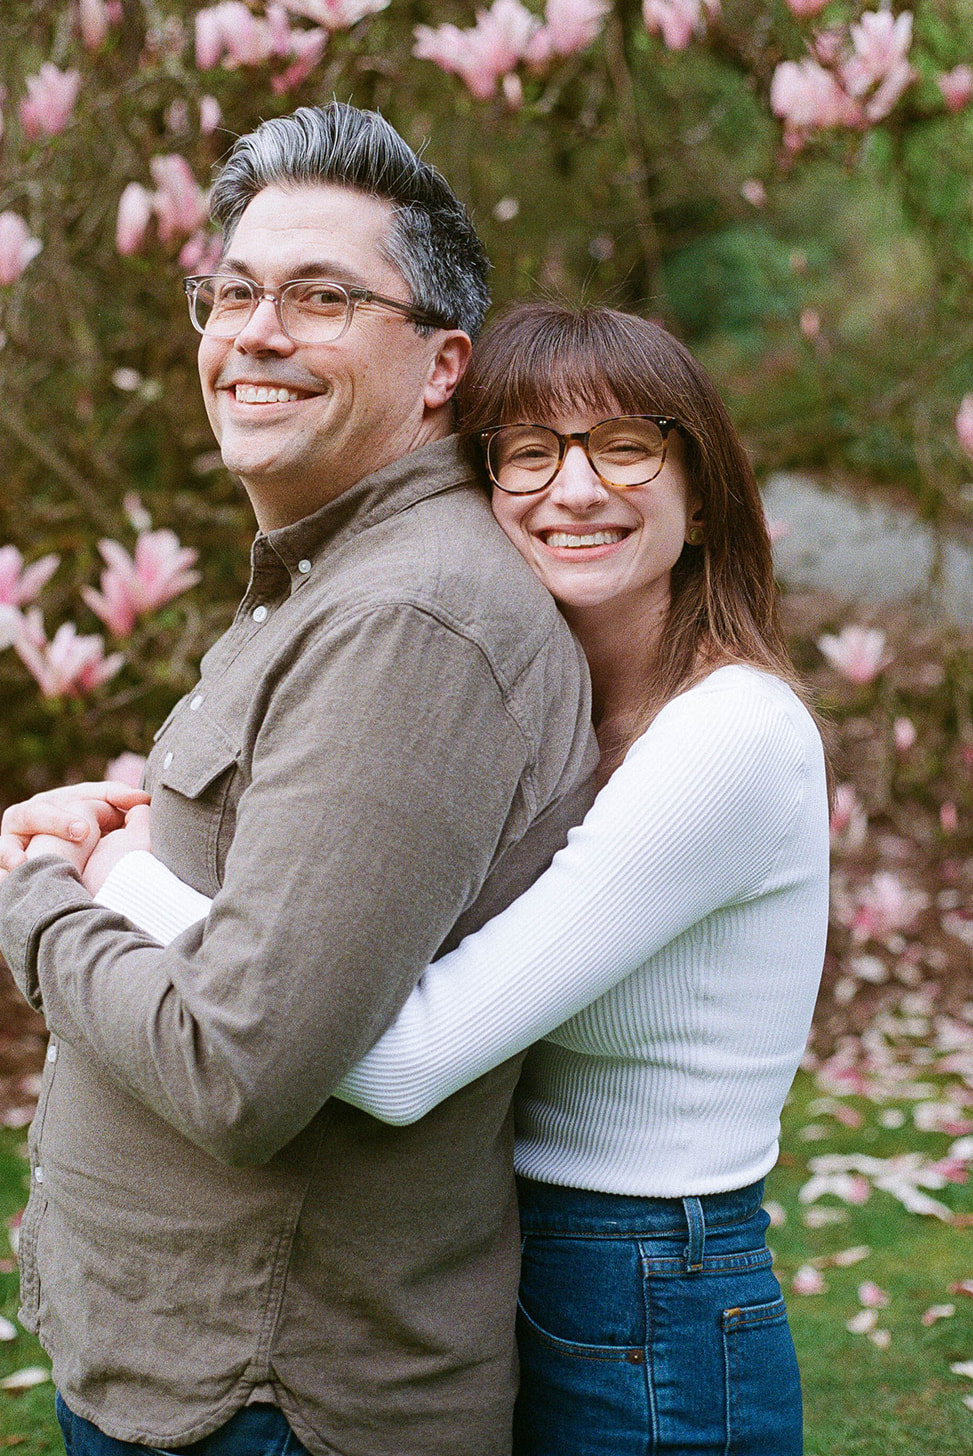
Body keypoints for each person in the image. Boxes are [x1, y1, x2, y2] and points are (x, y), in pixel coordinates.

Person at [73, 302, 831, 1456]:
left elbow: (398, 1059)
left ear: (701, 484)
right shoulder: (562, 707)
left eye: (625, 445)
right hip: (524, 1257)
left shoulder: (726, 737)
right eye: (527, 453)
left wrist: (115, 876)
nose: (572, 489)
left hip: (645, 1290)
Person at [0, 107, 598, 1456]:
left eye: (322, 297)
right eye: (236, 290)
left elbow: (242, 1067)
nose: (257, 332)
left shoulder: (409, 623)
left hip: (269, 1399)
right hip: (192, 1368)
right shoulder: (329, 580)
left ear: (444, 364)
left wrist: (37, 899)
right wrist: (137, 835)